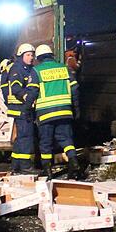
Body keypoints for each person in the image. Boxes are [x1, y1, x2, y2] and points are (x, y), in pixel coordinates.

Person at [32, 44, 82, 179]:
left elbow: (33, 92)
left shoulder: (36, 71)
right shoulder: (64, 68)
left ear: (38, 58)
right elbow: (75, 89)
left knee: (45, 143)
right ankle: (74, 163)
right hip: (65, 112)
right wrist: (76, 109)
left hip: (45, 114)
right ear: (51, 56)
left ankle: (47, 170)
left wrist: (26, 110)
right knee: (67, 140)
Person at [5, 43, 39, 174]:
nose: (31, 58)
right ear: (21, 56)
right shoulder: (17, 69)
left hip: (23, 108)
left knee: (20, 139)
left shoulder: (29, 69)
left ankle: (16, 165)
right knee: (26, 137)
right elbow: (15, 88)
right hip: (20, 109)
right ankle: (26, 167)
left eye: (32, 55)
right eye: (28, 55)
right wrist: (26, 96)